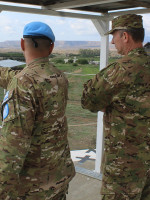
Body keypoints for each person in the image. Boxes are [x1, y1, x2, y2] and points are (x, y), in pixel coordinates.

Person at [0, 21, 75, 199]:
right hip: (58, 178)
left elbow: (12, 148)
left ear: (21, 44)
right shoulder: (59, 76)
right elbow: (24, 78)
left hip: (32, 187)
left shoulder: (23, 83)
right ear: (51, 48)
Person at [81, 14, 150, 200]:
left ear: (125, 36)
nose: (112, 42)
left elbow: (88, 100)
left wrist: (109, 104)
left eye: (115, 36)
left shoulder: (119, 70)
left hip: (124, 165)